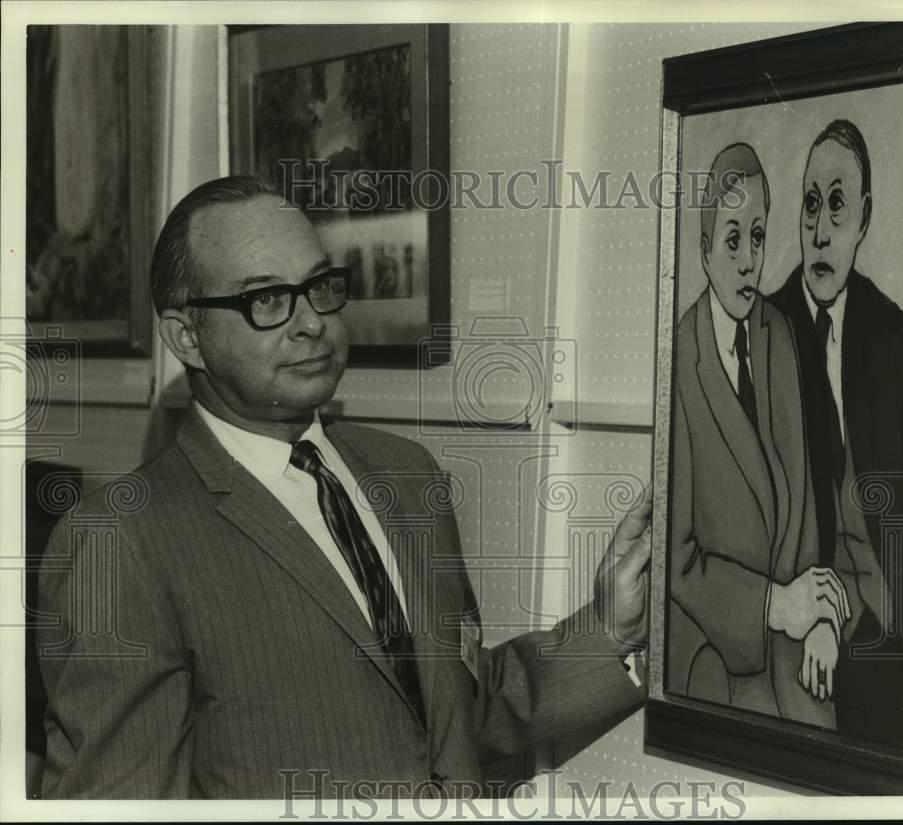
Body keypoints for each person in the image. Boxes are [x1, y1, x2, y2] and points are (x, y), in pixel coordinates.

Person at [36, 175, 652, 799]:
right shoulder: (120, 542)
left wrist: (608, 632)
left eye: (319, 287)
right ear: (186, 337)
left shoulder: (408, 475)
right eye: (268, 300)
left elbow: (450, 721)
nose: (311, 323)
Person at [667, 143, 885, 728]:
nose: (748, 261)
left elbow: (822, 506)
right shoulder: (679, 363)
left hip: (794, 653)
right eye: (732, 239)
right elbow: (676, 558)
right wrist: (775, 605)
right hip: (717, 662)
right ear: (705, 247)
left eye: (758, 237)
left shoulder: (779, 336)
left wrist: (822, 616)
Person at [769, 119, 903, 751]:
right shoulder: (765, 334)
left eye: (837, 205)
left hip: (899, 629)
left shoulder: (902, 341)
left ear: (864, 218)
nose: (821, 229)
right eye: (810, 205)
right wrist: (826, 615)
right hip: (807, 632)